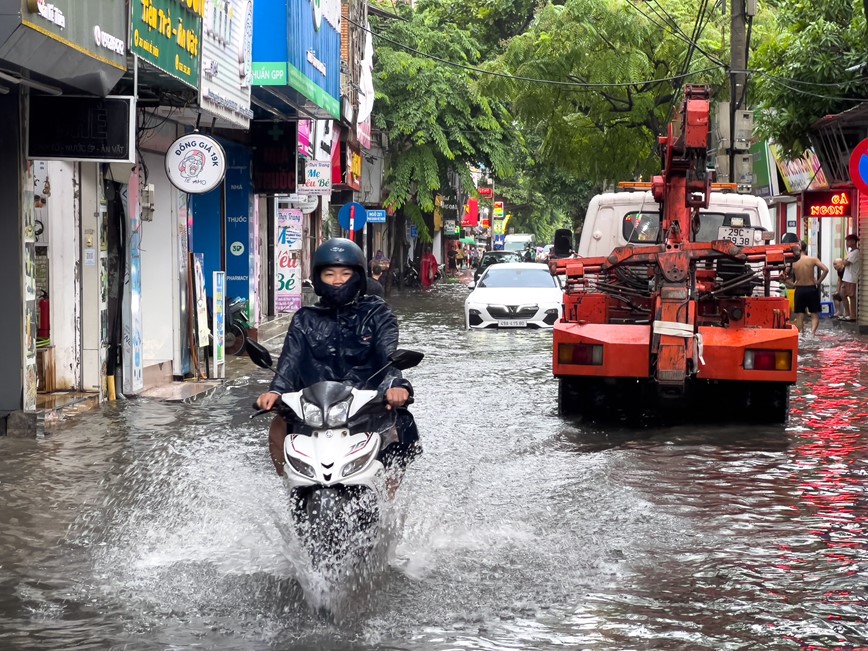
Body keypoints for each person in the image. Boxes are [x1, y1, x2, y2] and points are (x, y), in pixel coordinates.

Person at [256, 238, 420, 482]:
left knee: (399, 430)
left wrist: (395, 386)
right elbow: (289, 360)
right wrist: (276, 391)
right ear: (318, 278)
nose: (337, 280)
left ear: (359, 276)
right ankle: (290, 485)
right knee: (278, 428)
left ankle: (389, 503)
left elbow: (389, 356)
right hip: (314, 408)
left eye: (345, 273)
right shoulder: (304, 319)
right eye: (329, 274)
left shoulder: (378, 313)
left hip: (366, 405)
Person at [784, 240, 829, 335]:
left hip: (799, 290)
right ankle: (812, 334)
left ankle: (801, 334)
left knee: (800, 315)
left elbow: (782, 275)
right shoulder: (813, 259)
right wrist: (818, 282)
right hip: (811, 288)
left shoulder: (793, 262)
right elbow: (825, 269)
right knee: (814, 314)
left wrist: (791, 284)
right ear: (805, 249)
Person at [841, 233, 860, 321]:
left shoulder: (856, 252)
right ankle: (847, 313)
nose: (847, 243)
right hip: (846, 277)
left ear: (853, 242)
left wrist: (844, 261)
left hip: (851, 277)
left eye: (848, 241)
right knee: (843, 294)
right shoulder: (850, 252)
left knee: (851, 296)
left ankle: (853, 315)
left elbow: (846, 263)